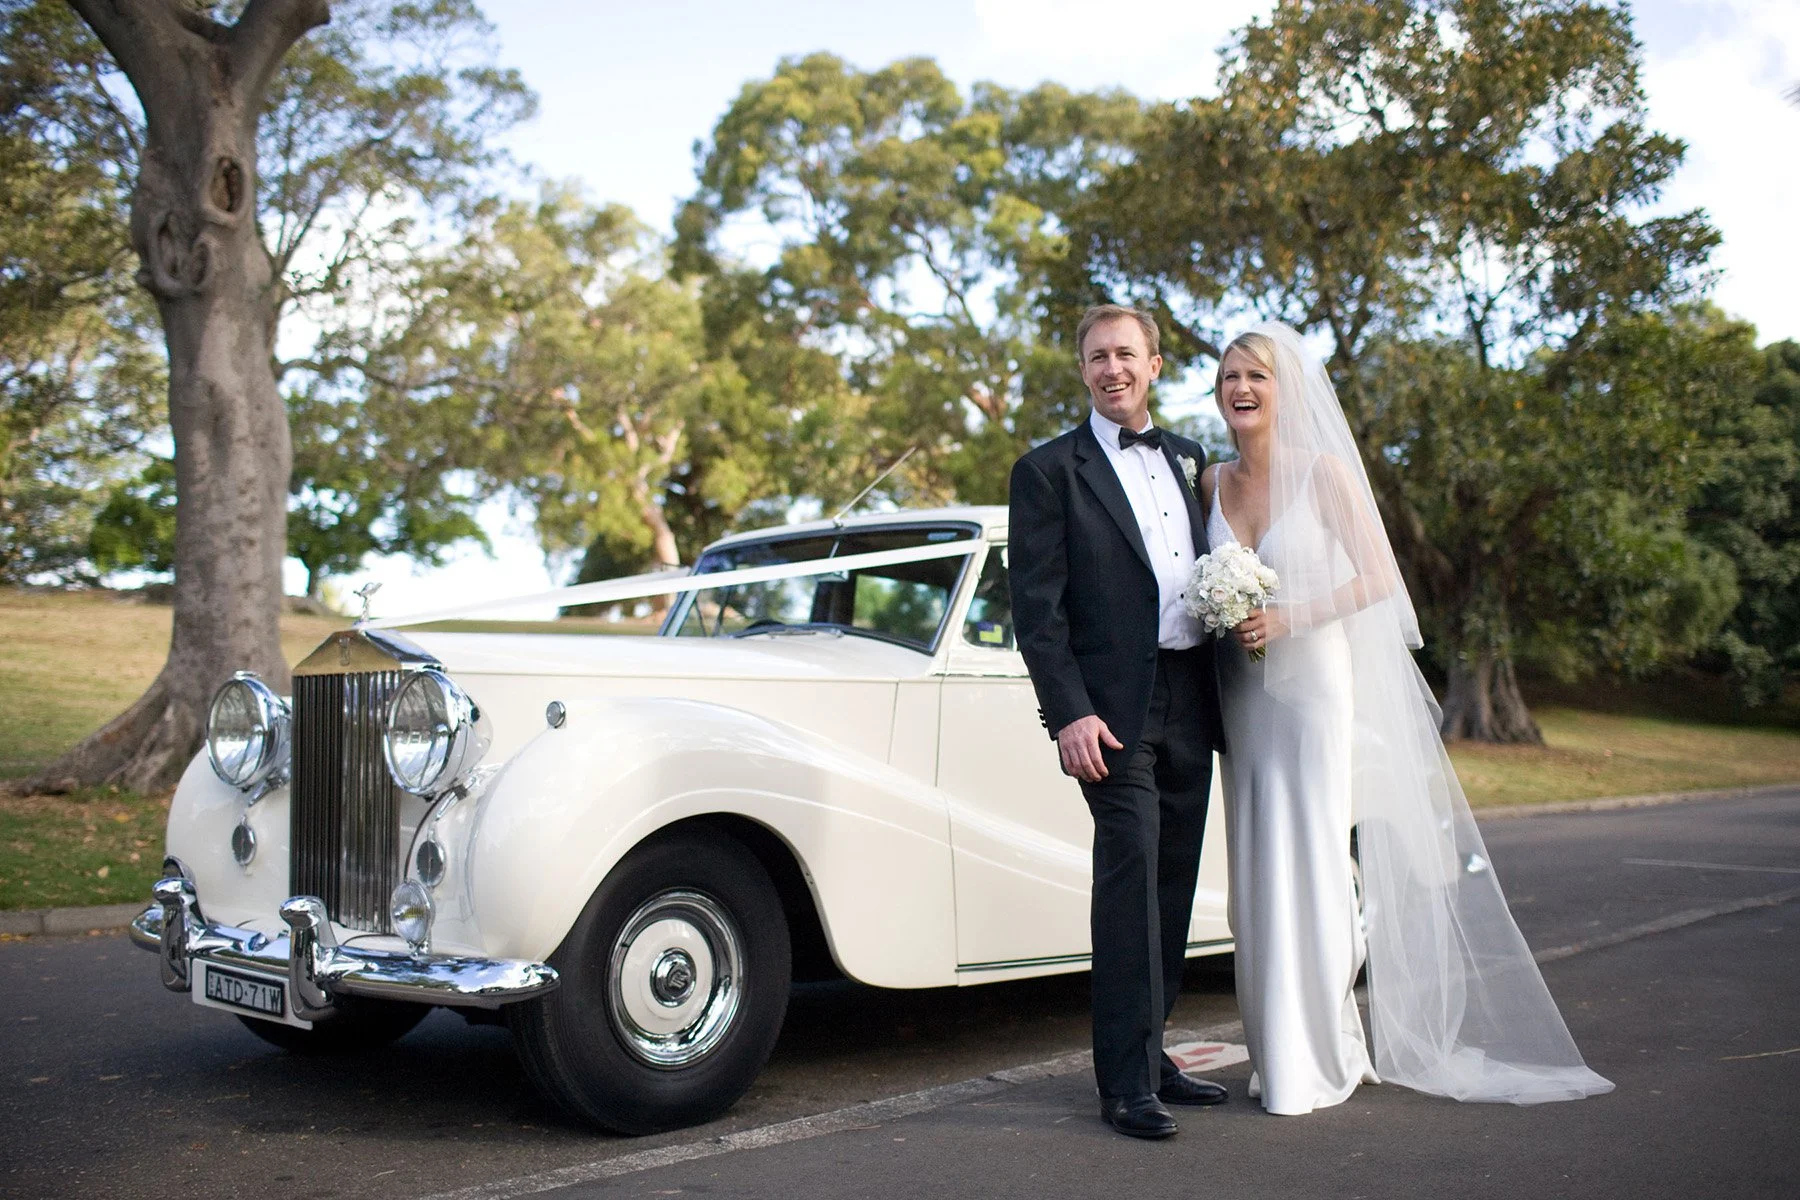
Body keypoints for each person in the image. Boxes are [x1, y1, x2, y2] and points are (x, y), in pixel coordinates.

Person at [1200, 322, 1614, 1114]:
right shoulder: (1210, 483)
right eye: (1228, 377)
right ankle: (1276, 1046)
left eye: (1257, 375)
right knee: (1255, 866)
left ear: (1286, 392)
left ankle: (1315, 1056)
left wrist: (1292, 618)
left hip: (1312, 690)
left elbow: (1380, 580)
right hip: (1242, 698)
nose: (1241, 389)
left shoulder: (1321, 473)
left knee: (1315, 861)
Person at [1008, 303, 1229, 1139]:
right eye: (1097, 358)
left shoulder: (1188, 458)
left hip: (1190, 697)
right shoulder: (1046, 472)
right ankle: (1123, 1084)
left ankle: (1154, 1055)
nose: (1112, 370)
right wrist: (1067, 714)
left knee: (1173, 882)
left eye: (1125, 355)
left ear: (1155, 366)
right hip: (1109, 714)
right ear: (1083, 371)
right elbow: (1038, 609)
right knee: (1129, 881)